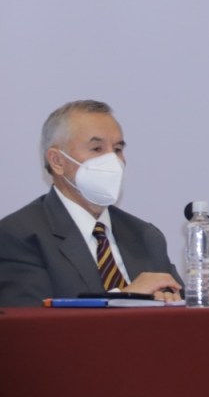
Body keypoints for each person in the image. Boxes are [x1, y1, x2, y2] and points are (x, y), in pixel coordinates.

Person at [0, 100, 183, 306]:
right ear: (57, 161)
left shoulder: (145, 236)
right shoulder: (19, 235)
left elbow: (185, 311)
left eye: (117, 149)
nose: (113, 161)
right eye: (97, 148)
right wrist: (126, 298)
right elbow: (31, 320)